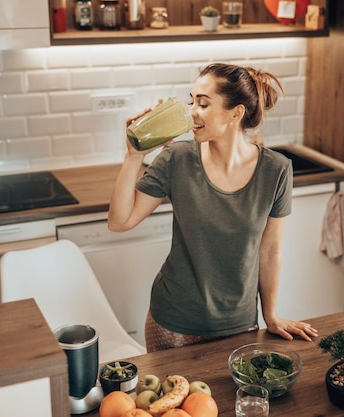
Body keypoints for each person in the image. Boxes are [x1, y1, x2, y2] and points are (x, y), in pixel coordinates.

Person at [108, 63, 318, 352]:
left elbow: (270, 252)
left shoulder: (277, 170)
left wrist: (270, 315)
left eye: (203, 104)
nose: (192, 111)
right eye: (191, 101)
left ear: (236, 112)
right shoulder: (175, 159)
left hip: (239, 326)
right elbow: (120, 222)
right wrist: (133, 156)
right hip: (172, 323)